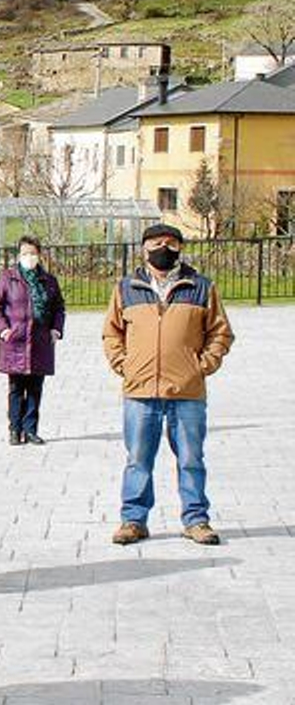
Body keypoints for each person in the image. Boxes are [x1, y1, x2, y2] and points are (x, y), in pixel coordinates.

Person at [102, 223, 234, 547]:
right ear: (144, 248)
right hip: (140, 392)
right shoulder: (126, 288)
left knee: (191, 458)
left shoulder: (201, 287)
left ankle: (196, 519)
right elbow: (111, 333)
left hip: (187, 391)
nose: (165, 248)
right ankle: (133, 520)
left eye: (172, 243)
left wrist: (201, 366)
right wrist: (125, 365)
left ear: (180, 249)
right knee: (138, 459)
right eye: (158, 242)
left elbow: (221, 333)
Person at [0, 236, 66, 445]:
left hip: (40, 341)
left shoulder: (49, 281)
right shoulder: (7, 278)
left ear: (39, 255)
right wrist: (3, 330)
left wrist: (56, 330)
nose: (29, 257)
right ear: (18, 255)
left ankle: (30, 429)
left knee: (35, 388)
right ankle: (15, 429)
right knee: (16, 388)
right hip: (15, 341)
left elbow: (58, 307)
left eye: (32, 253)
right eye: (25, 253)